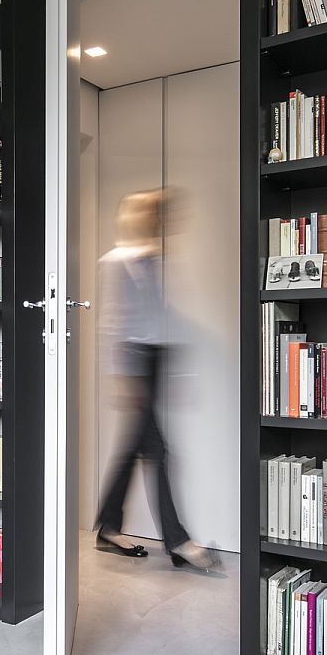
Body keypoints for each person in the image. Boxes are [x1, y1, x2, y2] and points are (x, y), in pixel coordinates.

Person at [94, 189, 222, 571]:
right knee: (158, 450)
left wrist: (177, 372)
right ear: (140, 217)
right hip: (134, 361)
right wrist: (121, 377)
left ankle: (109, 523)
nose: (162, 221)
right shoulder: (116, 262)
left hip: (155, 360)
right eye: (155, 214)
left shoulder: (157, 261)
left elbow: (164, 317)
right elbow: (112, 322)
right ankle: (178, 541)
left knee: (136, 447)